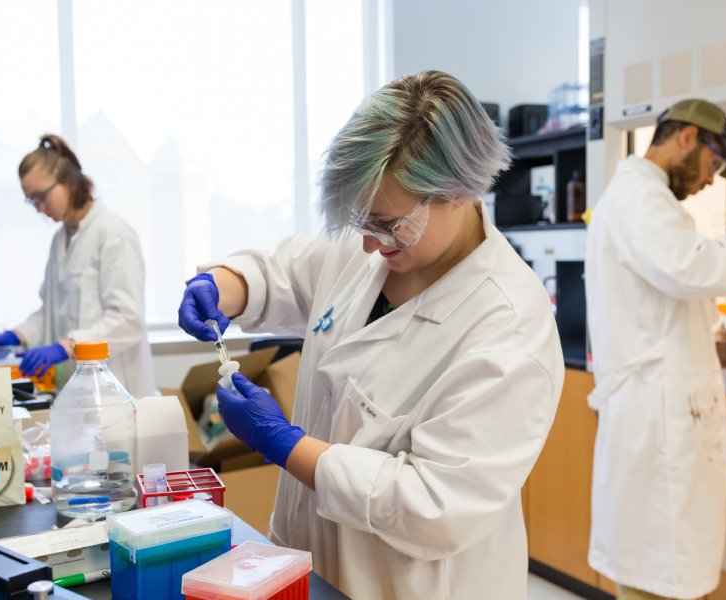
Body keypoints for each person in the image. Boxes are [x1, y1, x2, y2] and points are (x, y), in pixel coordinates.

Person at [178, 71, 564, 599]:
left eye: (384, 223)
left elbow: (435, 505)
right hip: (309, 565)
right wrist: (223, 286)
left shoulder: (507, 326)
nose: (366, 244)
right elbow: (286, 272)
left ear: (457, 190)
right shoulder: (380, 247)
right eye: (359, 220)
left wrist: (284, 445)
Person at [585, 98, 726, 600]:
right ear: (688, 137)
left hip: (657, 420)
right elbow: (689, 267)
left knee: (661, 573)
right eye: (715, 164)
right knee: (658, 575)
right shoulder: (639, 199)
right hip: (656, 427)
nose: (711, 180)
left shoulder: (645, 202)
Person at [0, 134, 156, 397]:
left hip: (118, 388)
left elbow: (128, 319)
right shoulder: (60, 239)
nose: (39, 208)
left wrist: (67, 346)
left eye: (41, 196)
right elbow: (51, 309)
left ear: (69, 182)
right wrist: (17, 335)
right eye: (32, 201)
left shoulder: (113, 234)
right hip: (77, 388)